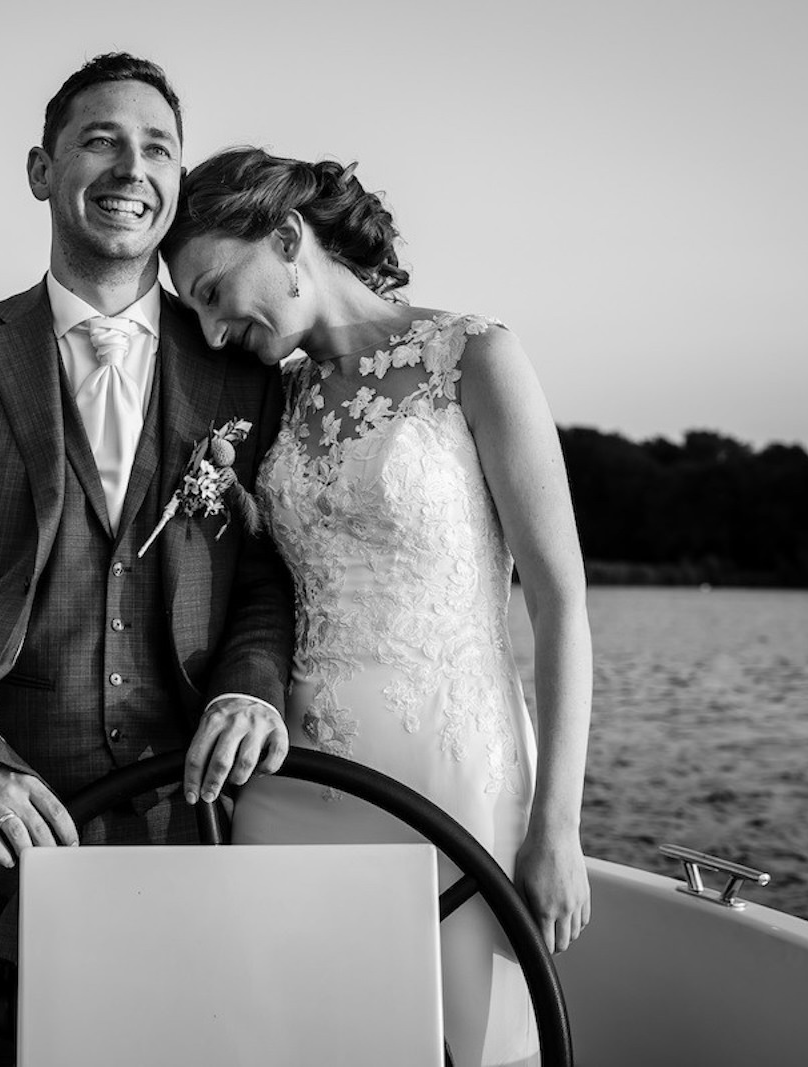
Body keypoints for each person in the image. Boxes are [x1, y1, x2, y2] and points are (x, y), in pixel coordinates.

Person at [0, 60, 295, 1065]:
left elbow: (269, 574)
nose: (130, 168)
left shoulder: (241, 368)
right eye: (100, 140)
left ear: (176, 181)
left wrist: (251, 688)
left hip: (184, 828)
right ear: (40, 169)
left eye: (157, 148)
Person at [162, 147, 593, 1067]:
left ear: (287, 239)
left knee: (468, 1043)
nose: (209, 330)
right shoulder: (269, 399)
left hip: (454, 779)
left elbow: (560, 605)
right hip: (292, 779)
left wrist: (558, 825)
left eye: (213, 291)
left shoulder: (475, 356)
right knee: (291, 1039)